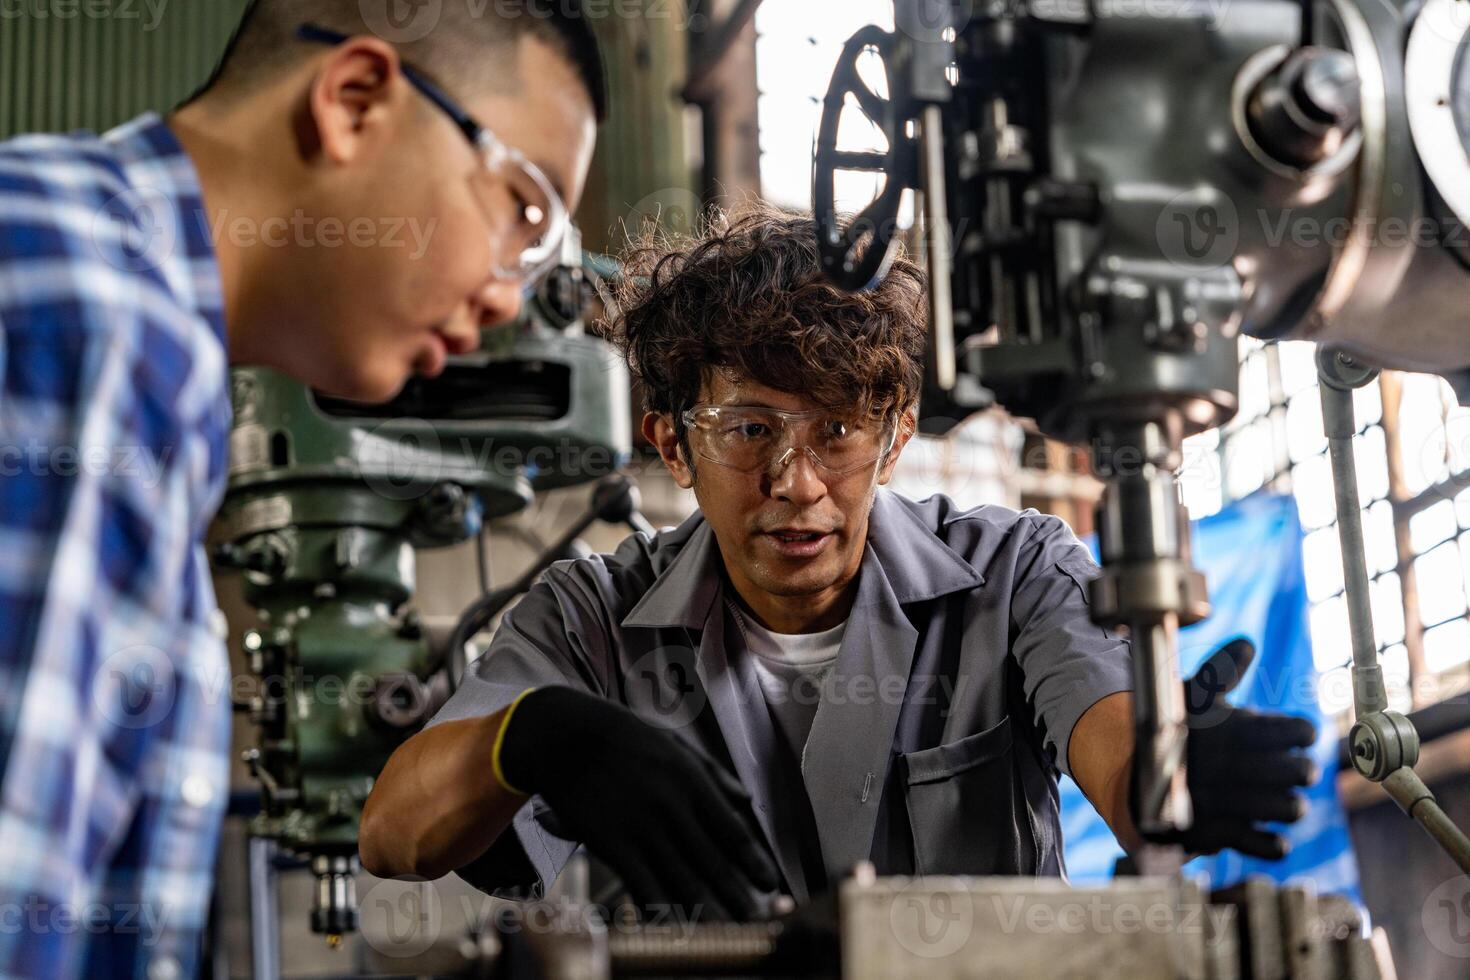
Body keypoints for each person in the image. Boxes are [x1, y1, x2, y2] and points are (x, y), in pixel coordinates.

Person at [360, 203, 1317, 921]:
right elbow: (395, 833)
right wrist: (535, 736)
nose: (798, 483)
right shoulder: (592, 619)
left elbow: (1119, 759)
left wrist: (1172, 774)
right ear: (670, 443)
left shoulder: (1015, 574)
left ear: (896, 439)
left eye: (840, 430)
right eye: (748, 430)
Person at [0, 1, 604, 975]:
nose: (507, 294)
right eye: (522, 209)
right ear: (356, 100)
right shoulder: (98, 324)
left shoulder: (118, 302)